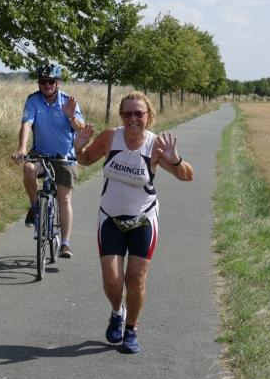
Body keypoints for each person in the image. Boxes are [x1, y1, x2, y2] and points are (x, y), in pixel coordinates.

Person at [73, 91, 194, 353]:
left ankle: (131, 329)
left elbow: (187, 176)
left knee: (135, 279)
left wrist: (175, 159)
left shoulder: (155, 145)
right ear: (121, 116)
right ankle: (117, 312)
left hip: (143, 220)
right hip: (110, 217)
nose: (133, 119)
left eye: (138, 113)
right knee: (112, 281)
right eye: (127, 114)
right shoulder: (110, 137)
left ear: (148, 116)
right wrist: (78, 146)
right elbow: (85, 159)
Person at [12, 63, 85, 258]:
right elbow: (26, 124)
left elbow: (81, 130)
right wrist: (22, 148)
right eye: (43, 81)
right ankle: (35, 206)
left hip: (64, 156)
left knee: (64, 199)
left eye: (51, 81)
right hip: (41, 153)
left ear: (58, 83)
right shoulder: (33, 100)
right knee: (28, 169)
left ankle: (65, 244)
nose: (46, 85)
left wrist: (71, 117)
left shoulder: (68, 101)